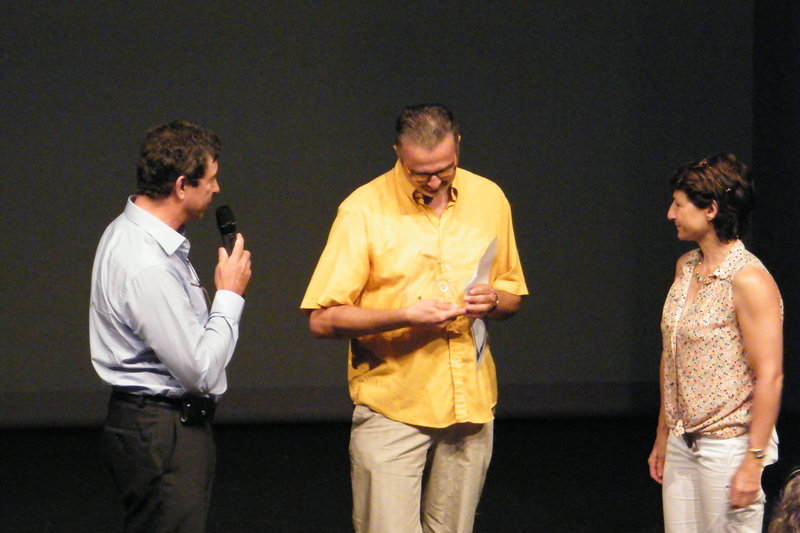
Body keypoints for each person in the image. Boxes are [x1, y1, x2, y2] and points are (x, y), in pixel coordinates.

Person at [301, 103, 527, 533]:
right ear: (398, 154)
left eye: (445, 169)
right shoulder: (363, 209)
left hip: (470, 402)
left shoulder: (489, 198)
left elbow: (512, 296)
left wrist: (493, 299)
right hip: (394, 402)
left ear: (457, 145)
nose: (435, 181)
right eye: (419, 173)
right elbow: (322, 319)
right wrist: (405, 316)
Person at [90, 120, 252, 532]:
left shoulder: (132, 233)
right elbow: (200, 370)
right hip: (162, 429)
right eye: (210, 179)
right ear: (182, 185)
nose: (216, 189)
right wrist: (229, 295)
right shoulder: (148, 263)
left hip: (153, 425)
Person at [648, 153, 783, 532]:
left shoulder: (748, 280)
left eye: (679, 205)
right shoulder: (686, 267)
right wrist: (663, 433)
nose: (670, 214)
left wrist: (753, 461)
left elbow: (770, 375)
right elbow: (672, 355)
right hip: (682, 440)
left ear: (711, 210)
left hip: (728, 446)